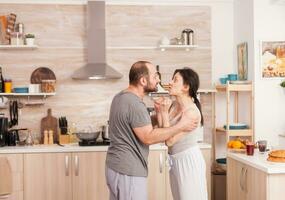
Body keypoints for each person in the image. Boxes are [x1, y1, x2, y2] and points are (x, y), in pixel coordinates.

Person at [105, 61, 199, 200]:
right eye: (155, 76)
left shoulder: (120, 97)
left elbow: (139, 122)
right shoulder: (135, 104)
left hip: (115, 167)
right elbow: (148, 137)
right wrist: (181, 125)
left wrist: (160, 112)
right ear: (143, 80)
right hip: (128, 171)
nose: (159, 80)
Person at [155, 67, 208, 200]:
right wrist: (160, 110)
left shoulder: (191, 112)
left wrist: (164, 113)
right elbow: (162, 130)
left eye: (175, 80)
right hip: (174, 160)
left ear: (186, 86)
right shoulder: (174, 106)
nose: (170, 82)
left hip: (188, 161)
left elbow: (169, 140)